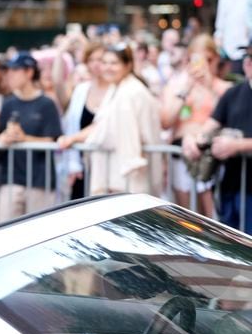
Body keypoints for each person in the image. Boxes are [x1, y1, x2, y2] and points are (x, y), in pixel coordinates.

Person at [64, 44, 162, 196]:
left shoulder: (130, 92)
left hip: (127, 176)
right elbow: (102, 125)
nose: (108, 67)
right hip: (116, 174)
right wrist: (73, 138)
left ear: (128, 65)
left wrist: (74, 138)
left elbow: (119, 136)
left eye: (114, 63)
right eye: (105, 62)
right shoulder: (117, 89)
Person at [183, 44, 252, 233]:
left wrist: (239, 145)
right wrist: (192, 139)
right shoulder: (234, 93)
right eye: (248, 56)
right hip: (231, 185)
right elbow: (209, 127)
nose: (248, 62)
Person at [160, 35, 230, 215]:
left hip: (212, 160)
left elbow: (228, 115)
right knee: (185, 216)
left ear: (216, 59)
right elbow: (166, 121)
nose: (204, 65)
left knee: (213, 219)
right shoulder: (176, 86)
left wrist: (209, 86)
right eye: (198, 59)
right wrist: (187, 88)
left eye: (209, 59)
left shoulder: (225, 88)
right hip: (180, 157)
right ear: (188, 59)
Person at [0, 52, 62, 222]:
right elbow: (0, 135)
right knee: (4, 230)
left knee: (39, 231)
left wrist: (24, 138)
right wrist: (5, 137)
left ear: (29, 72)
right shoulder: (8, 103)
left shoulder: (46, 104)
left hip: (39, 180)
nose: (9, 74)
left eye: (15, 70)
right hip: (11, 178)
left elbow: (53, 140)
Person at [58, 41, 109, 200]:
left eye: (101, 60)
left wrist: (73, 138)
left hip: (108, 165)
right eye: (92, 60)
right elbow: (71, 125)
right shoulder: (81, 90)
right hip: (82, 166)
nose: (96, 64)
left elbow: (104, 125)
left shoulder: (117, 90)